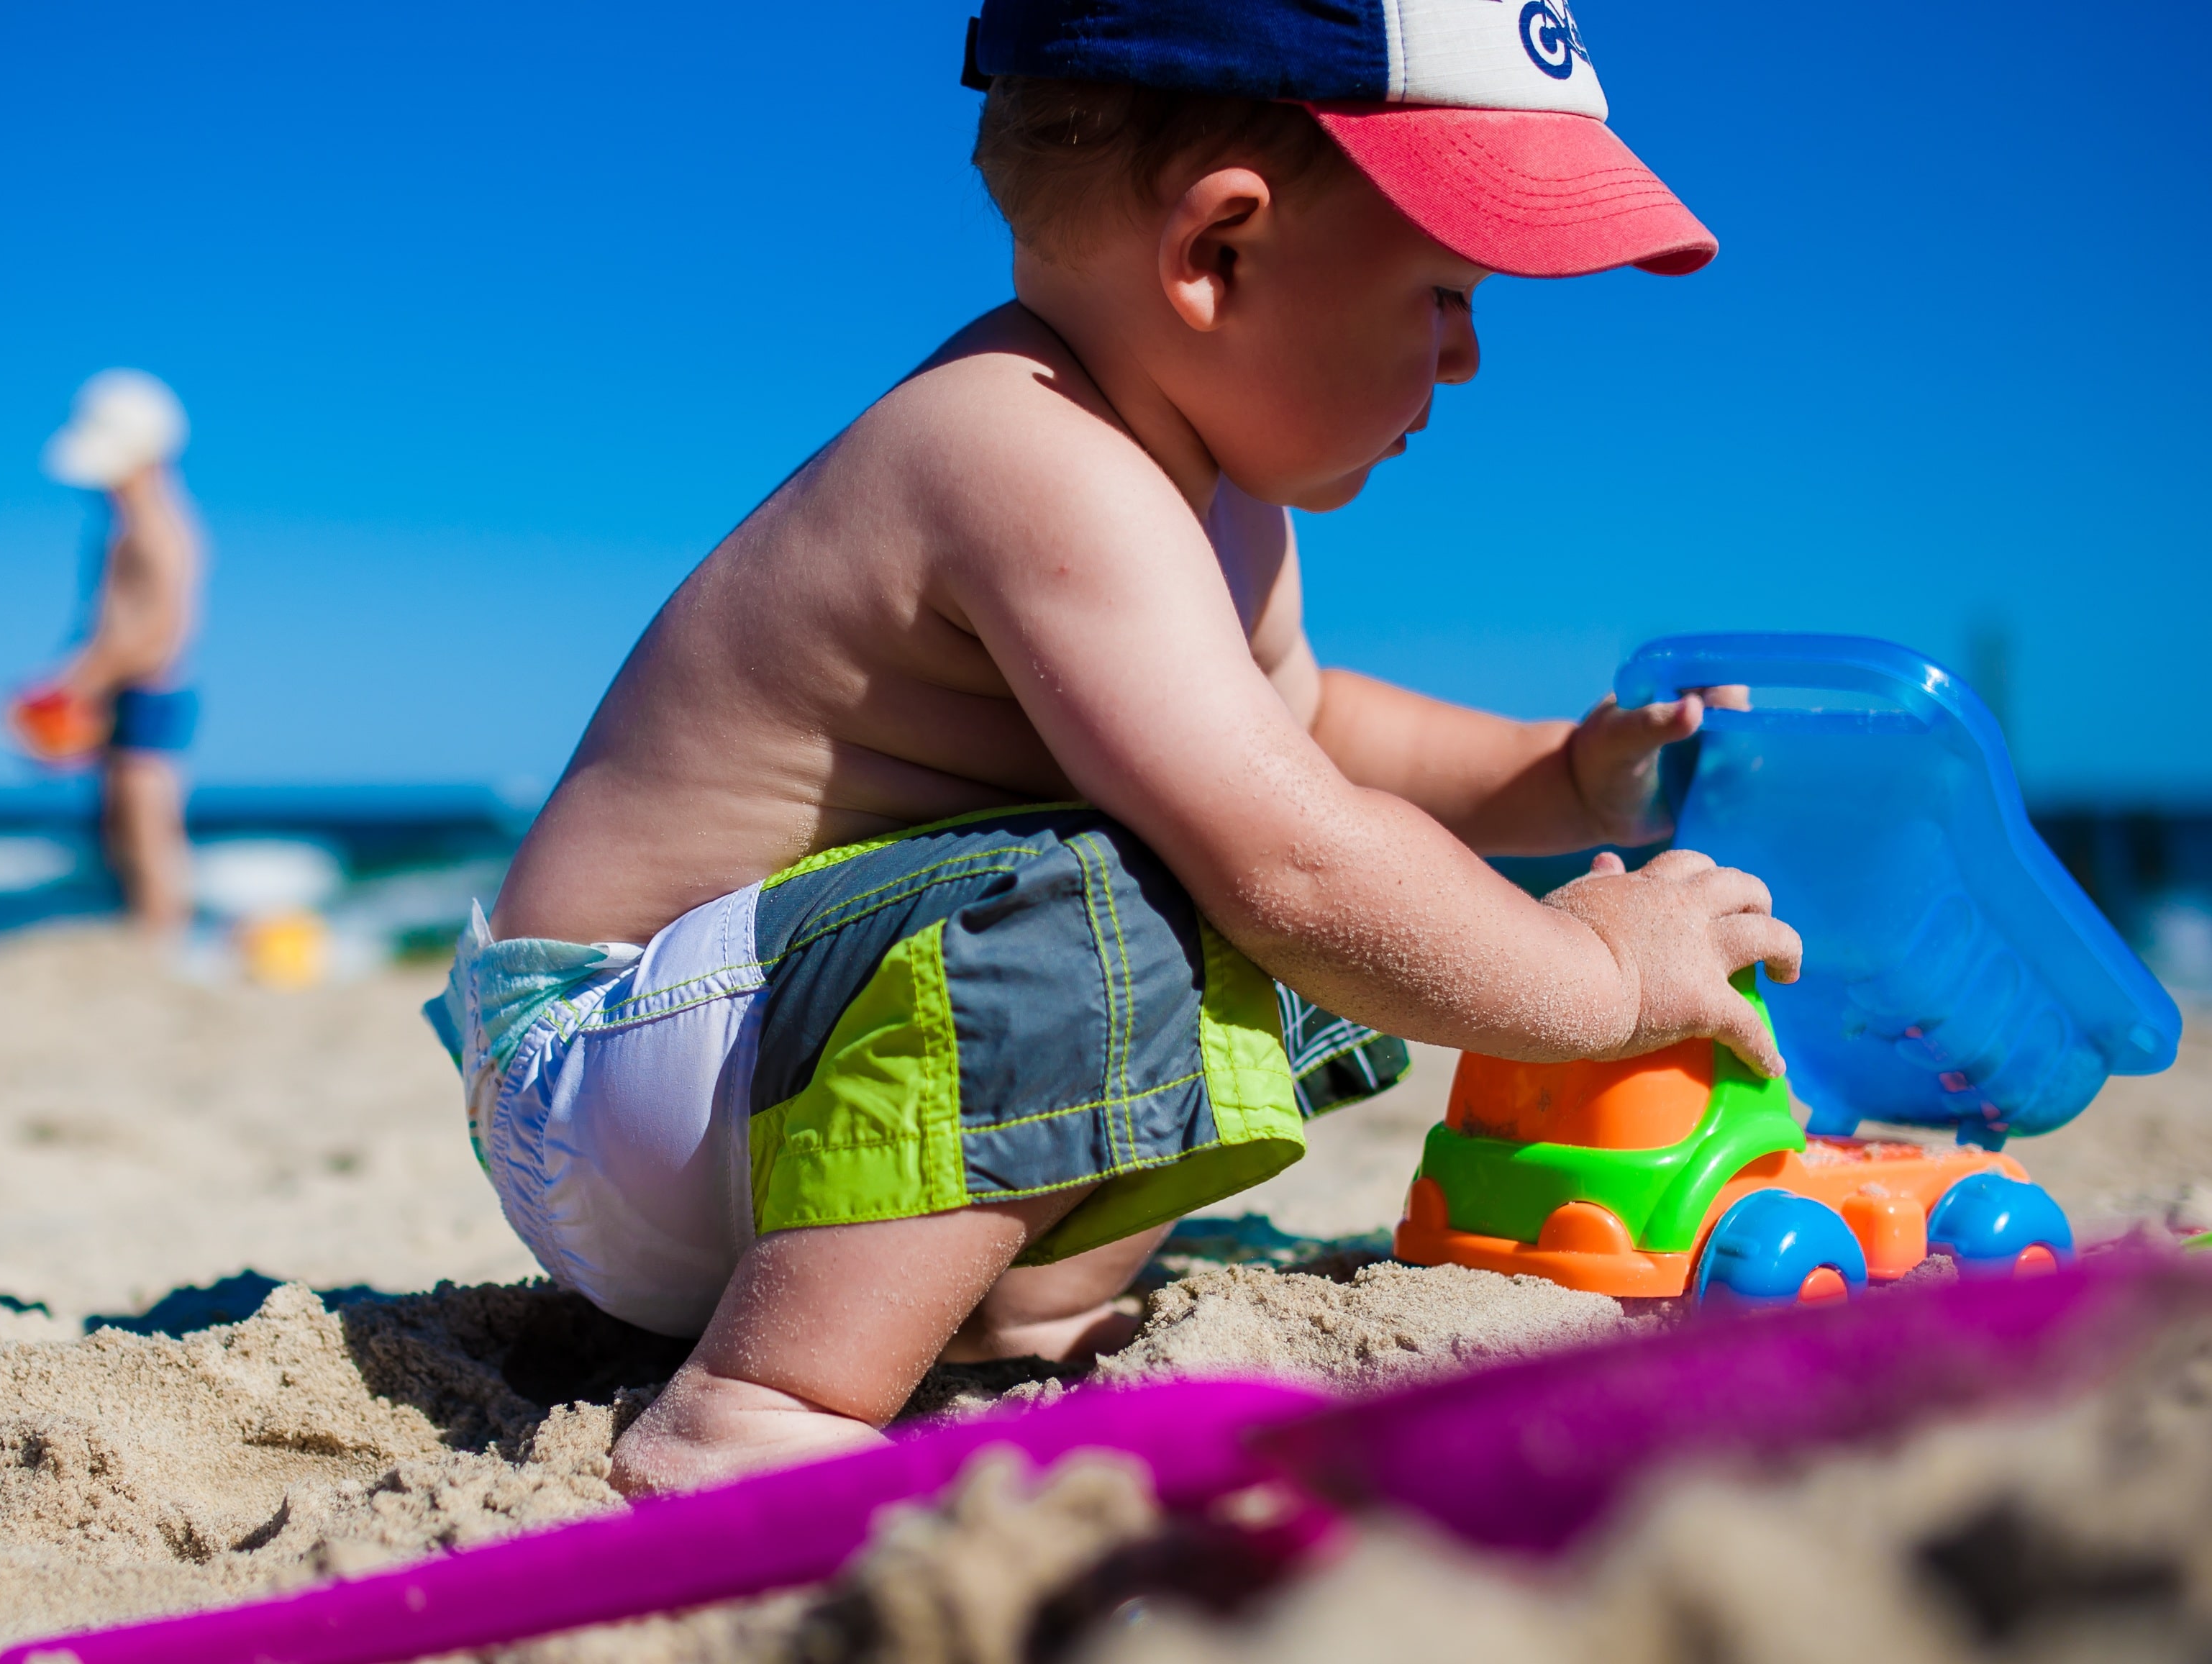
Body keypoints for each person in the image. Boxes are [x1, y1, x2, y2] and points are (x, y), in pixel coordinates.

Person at [429, 0, 1801, 1496]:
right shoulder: (1019, 447)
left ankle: (1003, 1297)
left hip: (771, 1081)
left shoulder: (1215, 495)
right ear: (1218, 252)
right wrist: (1597, 980)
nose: (1466, 359)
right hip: (620, 1073)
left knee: (1234, 866)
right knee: (1200, 888)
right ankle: (766, 1406)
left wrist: (1552, 778)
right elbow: (1295, 848)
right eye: (1444, 291)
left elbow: (1310, 728)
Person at [17, 370, 204, 941]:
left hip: (151, 690)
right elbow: (107, 622)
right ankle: (140, 926)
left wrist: (78, 680)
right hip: (120, 688)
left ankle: (162, 933)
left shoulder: (158, 528)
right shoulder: (126, 527)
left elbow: (162, 630)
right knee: (117, 825)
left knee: (148, 826)